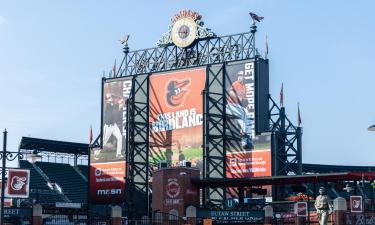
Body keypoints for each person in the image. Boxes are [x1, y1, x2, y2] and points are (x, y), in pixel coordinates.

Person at [226, 70, 253, 150]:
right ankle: (244, 137)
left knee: (246, 120)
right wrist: (239, 98)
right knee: (244, 115)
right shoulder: (235, 84)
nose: (240, 77)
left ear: (244, 77)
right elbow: (230, 92)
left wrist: (245, 101)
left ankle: (245, 141)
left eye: (241, 75)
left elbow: (244, 99)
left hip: (237, 108)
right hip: (231, 106)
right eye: (239, 75)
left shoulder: (244, 86)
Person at [94, 91, 124, 160]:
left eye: (111, 97)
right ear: (107, 99)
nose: (111, 98)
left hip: (114, 125)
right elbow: (115, 106)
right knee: (104, 142)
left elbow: (118, 103)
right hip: (108, 127)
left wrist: (116, 98)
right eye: (109, 97)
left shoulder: (112, 104)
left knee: (119, 137)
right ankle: (96, 154)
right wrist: (118, 101)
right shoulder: (108, 105)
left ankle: (118, 154)